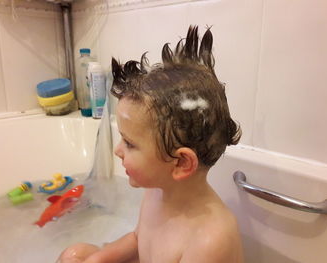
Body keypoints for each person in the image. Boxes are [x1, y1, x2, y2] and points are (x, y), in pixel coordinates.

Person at [58, 25, 243, 263]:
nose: (117, 150)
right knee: (74, 255)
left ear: (181, 163)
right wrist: (99, 259)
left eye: (130, 144)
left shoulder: (210, 240)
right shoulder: (157, 191)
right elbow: (138, 239)